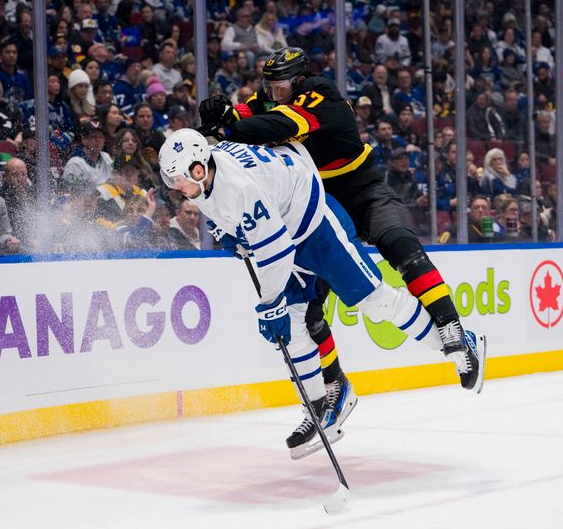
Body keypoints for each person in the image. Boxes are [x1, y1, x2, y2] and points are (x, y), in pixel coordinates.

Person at [159, 129, 486, 458]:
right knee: (292, 325)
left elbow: (275, 251)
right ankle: (319, 404)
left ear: (198, 170)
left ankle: (458, 344)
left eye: (177, 179)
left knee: (375, 301)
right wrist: (233, 232)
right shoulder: (209, 174)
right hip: (286, 228)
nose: (175, 187)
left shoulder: (238, 187)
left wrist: (269, 303)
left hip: (315, 225)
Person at [199, 47, 483, 414]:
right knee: (310, 307)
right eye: (267, 86)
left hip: (362, 191)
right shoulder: (272, 97)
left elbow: (277, 125)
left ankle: (455, 330)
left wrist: (229, 125)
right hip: (320, 203)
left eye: (278, 85)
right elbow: (245, 113)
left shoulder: (320, 94)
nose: (271, 92)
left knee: (401, 249)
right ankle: (335, 386)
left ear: (299, 81)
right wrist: (218, 112)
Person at [61, 120, 113, 192]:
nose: (98, 140)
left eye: (100, 136)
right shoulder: (75, 164)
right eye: (93, 137)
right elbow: (80, 197)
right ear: (84, 140)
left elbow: (115, 182)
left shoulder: (106, 157)